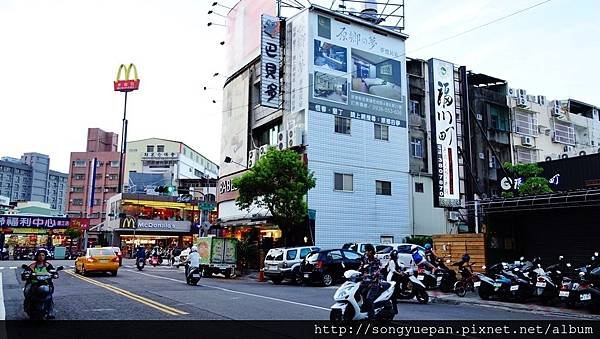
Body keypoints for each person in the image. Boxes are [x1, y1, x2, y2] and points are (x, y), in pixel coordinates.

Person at [24, 249, 57, 319]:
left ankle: (50, 312)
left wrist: (55, 274)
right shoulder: (33, 265)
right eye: (39, 255)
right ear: (37, 256)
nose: (41, 257)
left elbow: (54, 272)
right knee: (27, 293)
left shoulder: (48, 265)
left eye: (43, 255)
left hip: (46, 284)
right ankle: (27, 307)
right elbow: (26, 271)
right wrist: (26, 274)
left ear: (45, 256)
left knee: (50, 296)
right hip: (34, 284)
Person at [359, 244, 383, 319]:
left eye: (367, 251)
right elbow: (361, 268)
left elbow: (377, 272)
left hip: (374, 283)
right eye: (365, 251)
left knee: (369, 298)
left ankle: (371, 317)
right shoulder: (365, 260)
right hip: (365, 282)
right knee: (359, 293)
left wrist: (371, 277)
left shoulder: (376, 261)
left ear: (371, 251)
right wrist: (355, 273)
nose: (366, 252)